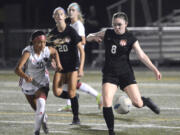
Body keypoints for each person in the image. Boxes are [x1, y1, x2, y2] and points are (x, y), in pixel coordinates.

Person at [86, 12, 162, 135]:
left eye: (119, 25)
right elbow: (89, 36)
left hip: (125, 73)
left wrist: (155, 69)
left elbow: (142, 55)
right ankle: (111, 131)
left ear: (126, 24)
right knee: (106, 101)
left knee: (138, 103)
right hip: (110, 74)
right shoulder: (108, 33)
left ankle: (146, 101)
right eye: (114, 24)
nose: (116, 27)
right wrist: (93, 38)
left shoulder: (131, 38)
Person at [15, 31, 62, 135]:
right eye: (40, 42)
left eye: (44, 42)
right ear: (33, 42)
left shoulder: (46, 50)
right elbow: (17, 69)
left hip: (42, 81)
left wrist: (58, 64)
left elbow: (54, 52)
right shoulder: (28, 52)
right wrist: (25, 76)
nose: (43, 45)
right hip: (28, 82)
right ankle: (44, 119)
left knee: (41, 105)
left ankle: (36, 132)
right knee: (37, 109)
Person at [58, 2, 102, 112]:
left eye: (73, 10)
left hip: (75, 59)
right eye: (69, 10)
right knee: (65, 83)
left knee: (71, 83)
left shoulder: (78, 25)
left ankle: (98, 96)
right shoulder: (71, 25)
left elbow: (82, 41)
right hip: (69, 59)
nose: (71, 12)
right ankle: (69, 105)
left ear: (78, 12)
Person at [47, 7, 85, 125]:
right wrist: (52, 60)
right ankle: (74, 97)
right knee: (56, 92)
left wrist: (81, 68)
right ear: (54, 17)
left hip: (73, 65)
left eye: (61, 14)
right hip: (61, 67)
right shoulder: (52, 34)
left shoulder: (71, 31)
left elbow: (82, 51)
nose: (59, 16)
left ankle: (76, 118)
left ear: (64, 16)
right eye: (56, 14)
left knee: (71, 92)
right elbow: (50, 50)